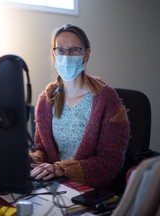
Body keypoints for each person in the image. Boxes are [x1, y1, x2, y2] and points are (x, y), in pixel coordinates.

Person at [30, 24, 130, 188]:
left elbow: (110, 163)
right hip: (55, 188)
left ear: (86, 54)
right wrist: (32, 160)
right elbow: (43, 150)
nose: (67, 55)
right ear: (53, 54)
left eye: (75, 50)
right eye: (61, 50)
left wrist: (61, 169)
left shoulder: (106, 99)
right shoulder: (46, 100)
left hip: (92, 190)